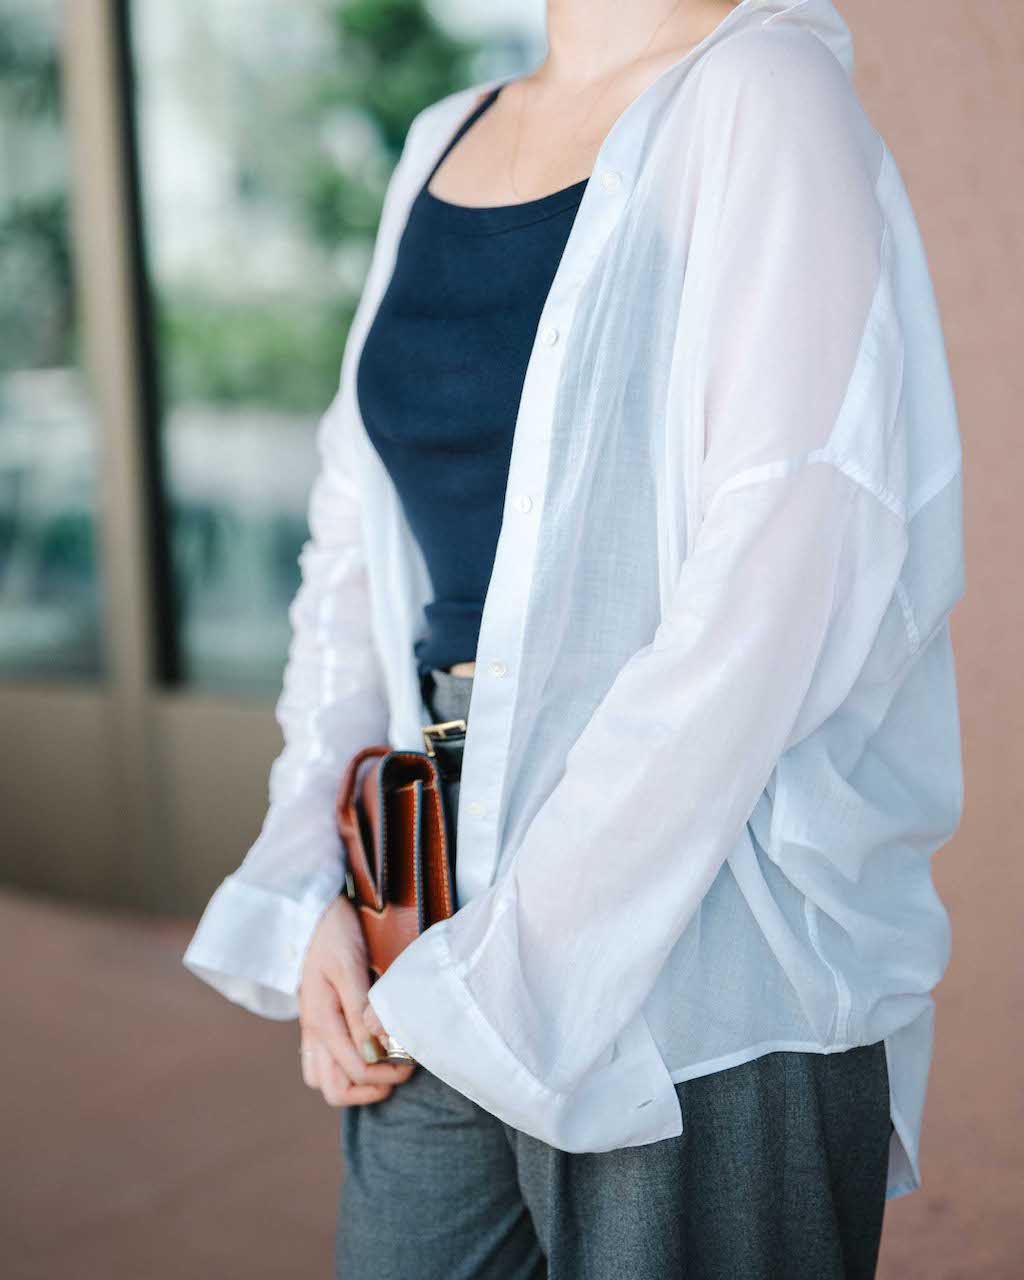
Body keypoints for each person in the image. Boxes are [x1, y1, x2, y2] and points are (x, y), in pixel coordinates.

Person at [182, 1, 966, 1276]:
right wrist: (312, 868)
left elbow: (778, 577)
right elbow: (352, 544)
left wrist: (523, 952)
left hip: (691, 944)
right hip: (422, 912)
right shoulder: (444, 136)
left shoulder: (763, 96)